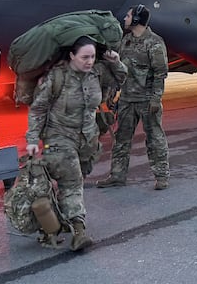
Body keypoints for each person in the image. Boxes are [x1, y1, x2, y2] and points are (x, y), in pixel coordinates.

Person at [26, 37, 124, 251]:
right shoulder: (56, 77)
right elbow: (38, 109)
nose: (89, 61)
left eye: (92, 57)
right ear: (72, 56)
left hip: (88, 139)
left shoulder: (97, 73)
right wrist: (32, 139)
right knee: (72, 182)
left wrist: (115, 61)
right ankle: (79, 232)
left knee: (73, 183)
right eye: (84, 57)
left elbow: (121, 78)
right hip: (59, 137)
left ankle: (49, 227)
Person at [99, 4, 170, 190]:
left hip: (146, 100)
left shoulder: (154, 42)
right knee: (121, 139)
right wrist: (112, 94)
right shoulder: (126, 41)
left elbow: (160, 72)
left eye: (129, 16)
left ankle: (161, 176)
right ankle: (117, 175)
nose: (125, 18)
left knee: (154, 138)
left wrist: (156, 98)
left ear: (137, 19)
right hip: (127, 100)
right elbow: (118, 69)